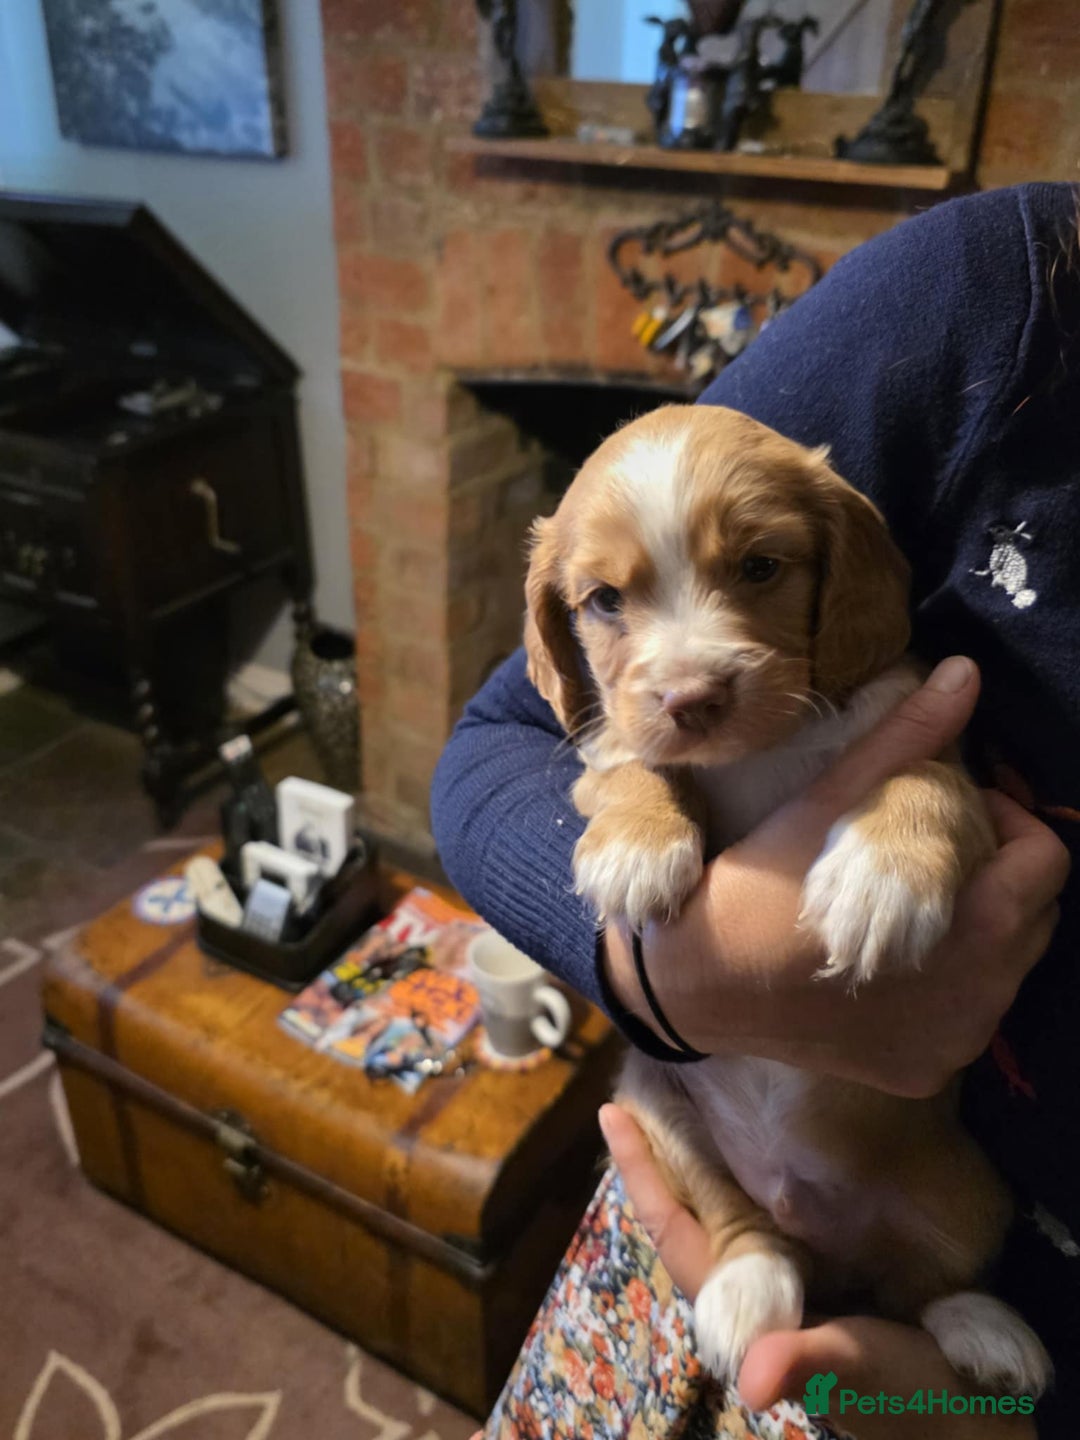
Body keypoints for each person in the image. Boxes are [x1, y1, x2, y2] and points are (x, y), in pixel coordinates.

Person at [433, 182, 1080, 1436]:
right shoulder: (1006, 298)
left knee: (960, 1225)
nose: (683, 675)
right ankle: (744, 1238)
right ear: (563, 617)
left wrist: (912, 827)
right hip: (709, 1172)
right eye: (609, 601)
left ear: (837, 564)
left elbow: (934, 792)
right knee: (643, 1096)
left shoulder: (868, 671)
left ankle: (937, 1295)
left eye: (760, 569)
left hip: (921, 1207)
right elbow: (532, 749)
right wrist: (658, 921)